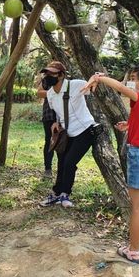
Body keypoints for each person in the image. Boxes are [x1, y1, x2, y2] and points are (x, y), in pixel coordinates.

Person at [82, 64, 139, 263]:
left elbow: (121, 89)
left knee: (138, 208)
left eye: (134, 78)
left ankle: (133, 251)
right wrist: (131, 125)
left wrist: (99, 78)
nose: (130, 82)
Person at [38, 61, 97, 208]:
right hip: (68, 132)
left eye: (52, 73)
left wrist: (97, 77)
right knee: (62, 161)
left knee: (69, 162)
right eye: (46, 73)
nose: (48, 76)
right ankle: (57, 194)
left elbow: (93, 84)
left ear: (61, 75)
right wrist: (56, 122)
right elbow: (58, 112)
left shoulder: (75, 85)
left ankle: (65, 194)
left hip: (85, 130)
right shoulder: (50, 94)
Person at [39, 73, 58, 179]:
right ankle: (48, 168)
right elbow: (39, 93)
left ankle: (63, 168)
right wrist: (53, 93)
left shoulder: (68, 80)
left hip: (65, 115)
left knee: (64, 141)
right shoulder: (46, 79)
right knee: (49, 141)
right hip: (49, 114)